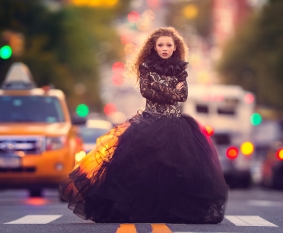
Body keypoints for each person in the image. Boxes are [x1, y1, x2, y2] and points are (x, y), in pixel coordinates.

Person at [59, 27, 228, 223]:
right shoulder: (146, 66)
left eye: (168, 45)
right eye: (161, 45)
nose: (165, 48)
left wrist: (162, 88)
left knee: (175, 173)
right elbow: (147, 91)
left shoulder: (181, 69)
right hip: (149, 123)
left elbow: (183, 96)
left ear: (175, 48)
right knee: (139, 172)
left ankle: (172, 211)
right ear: (154, 47)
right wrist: (169, 89)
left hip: (176, 127)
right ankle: (143, 210)